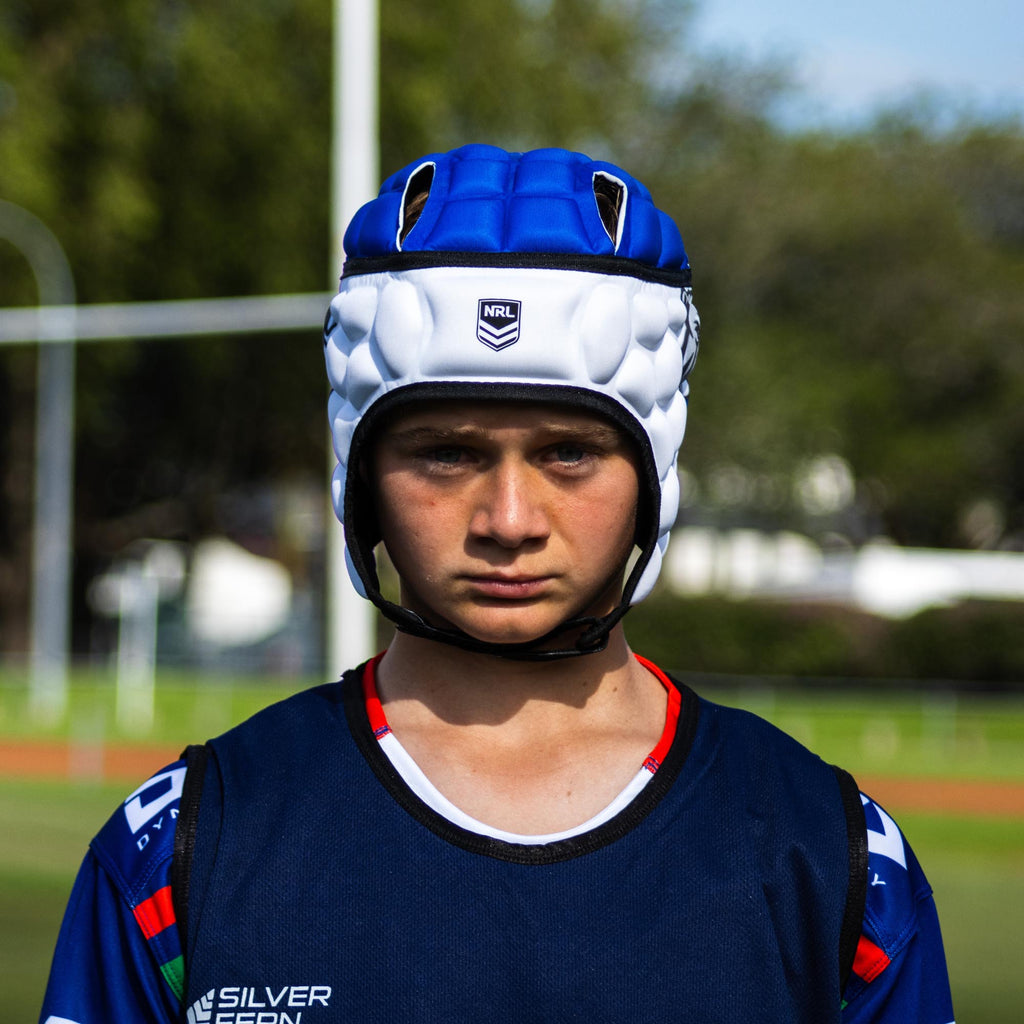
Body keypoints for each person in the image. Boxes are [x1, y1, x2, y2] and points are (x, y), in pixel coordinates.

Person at [40, 144, 954, 1024]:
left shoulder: (831, 858)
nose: (509, 520)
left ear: (653, 472)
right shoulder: (185, 846)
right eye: (446, 454)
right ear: (361, 476)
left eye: (570, 453)